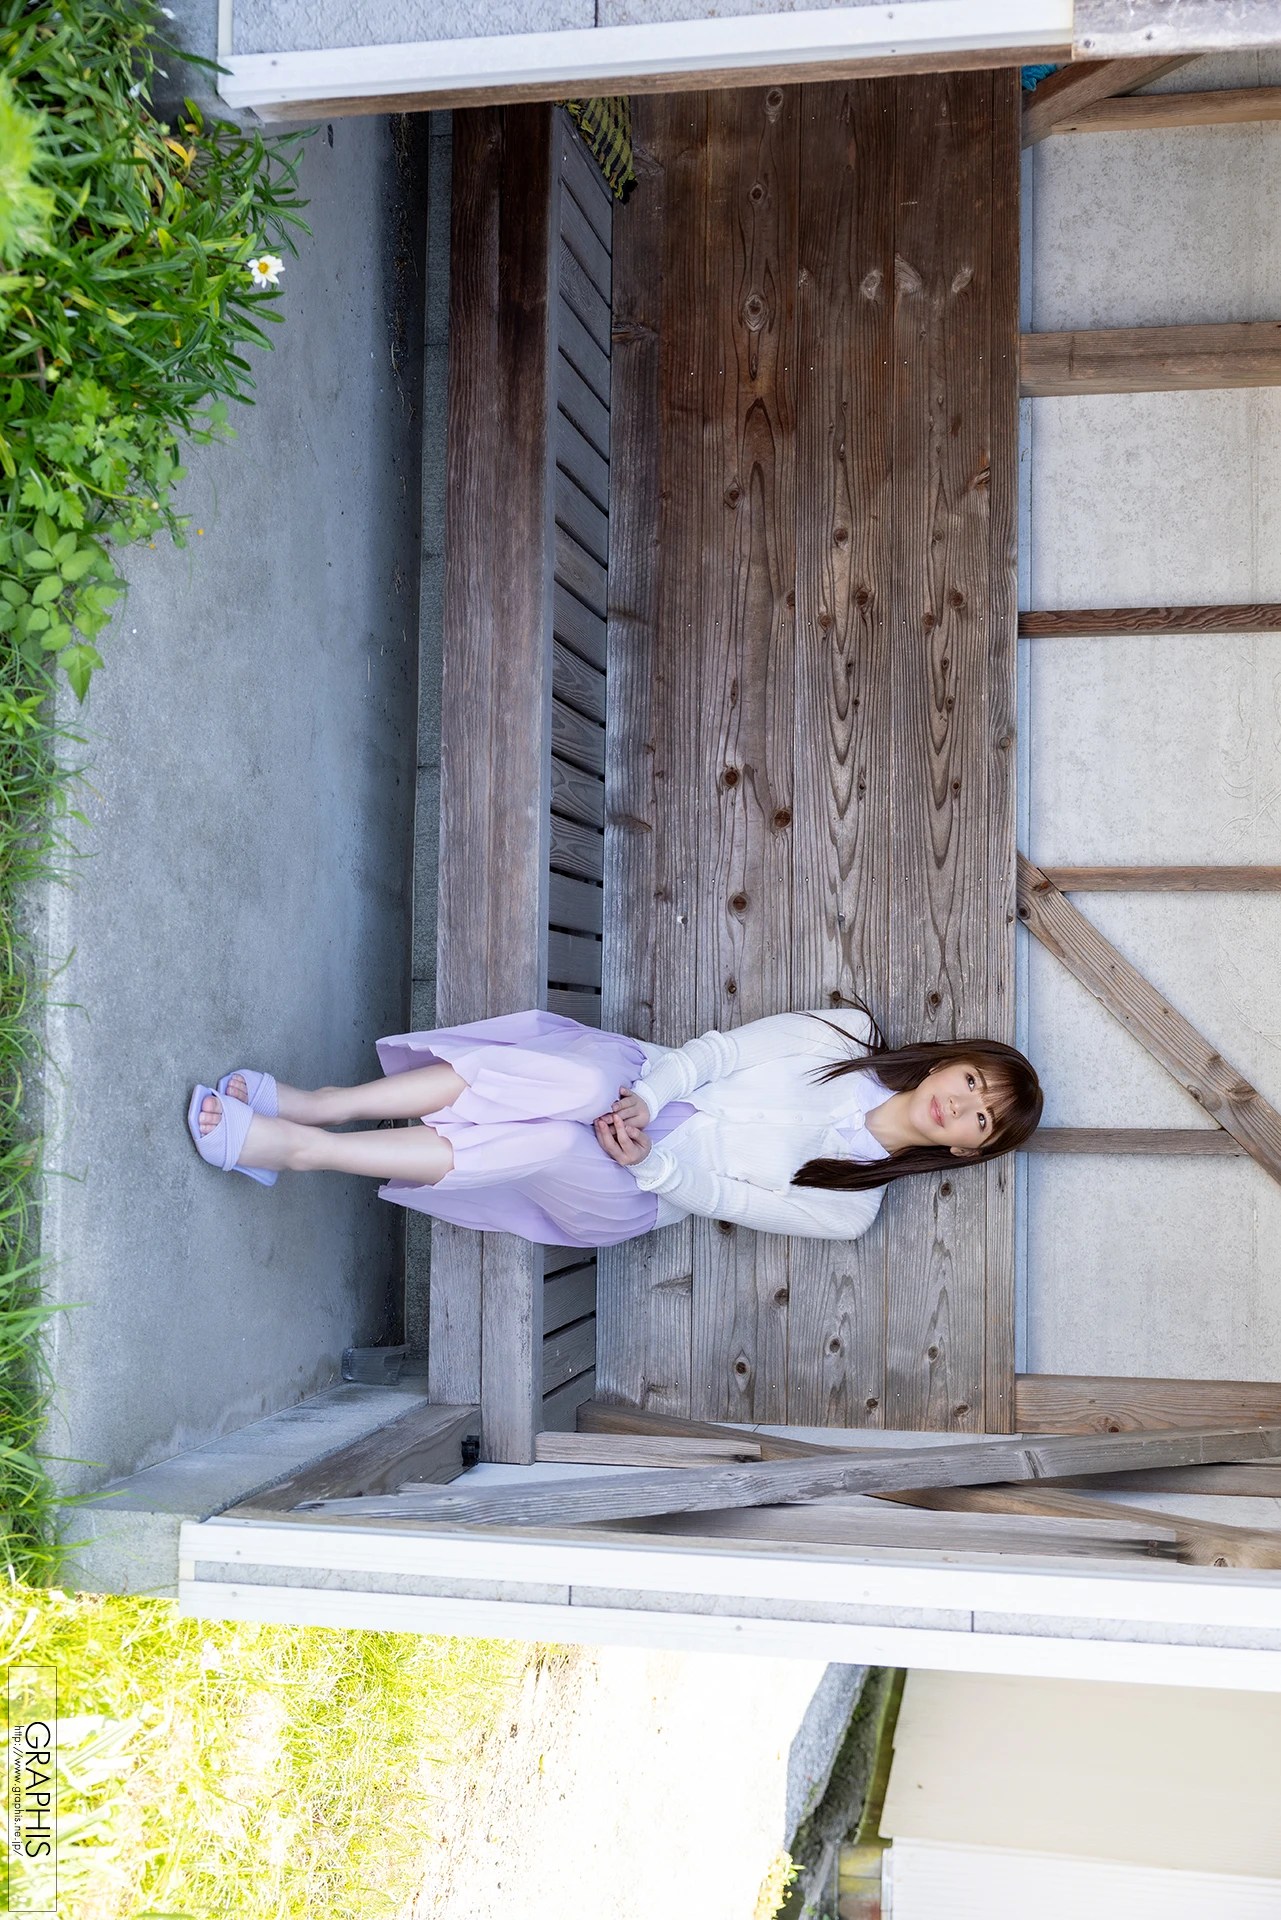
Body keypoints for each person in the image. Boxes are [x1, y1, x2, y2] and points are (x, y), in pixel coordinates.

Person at [187, 1004, 1042, 1247]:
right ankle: (321, 1104)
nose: (961, 1104)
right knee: (580, 1081)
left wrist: (647, 1162)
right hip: (644, 1077)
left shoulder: (850, 1209)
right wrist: (648, 1096)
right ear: (948, 1062)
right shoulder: (842, 1036)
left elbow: (725, 1201)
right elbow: (718, 1053)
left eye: (980, 1120)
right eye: (971, 1082)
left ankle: (301, 1149)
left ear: (966, 1150)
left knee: (553, 1139)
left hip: (638, 1192)